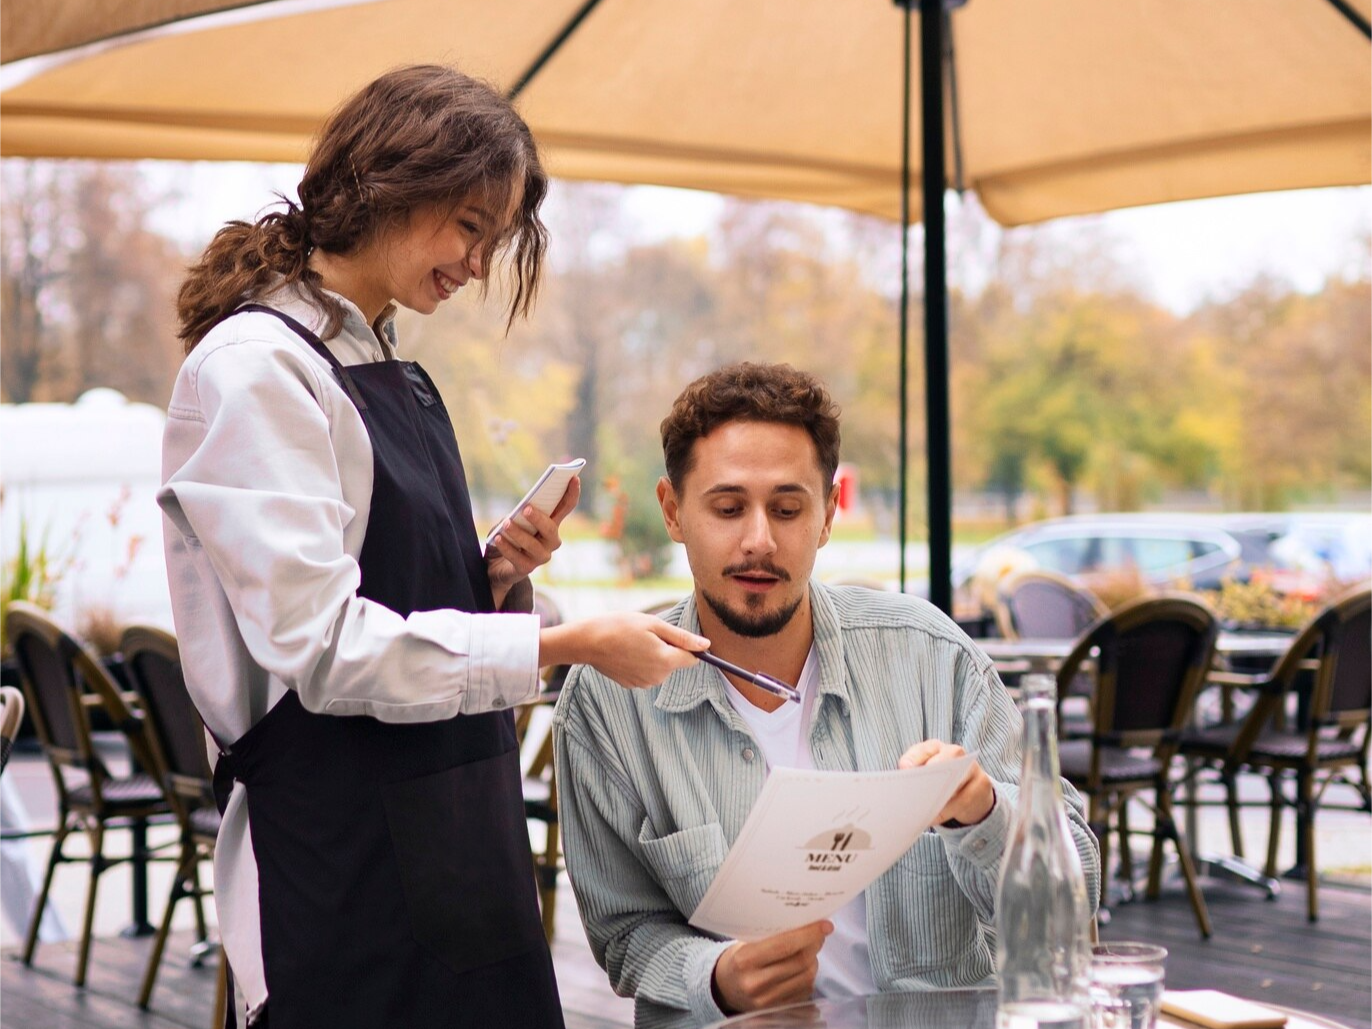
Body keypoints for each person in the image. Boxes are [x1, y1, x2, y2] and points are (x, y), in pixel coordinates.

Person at [159, 65, 708, 1029]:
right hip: (341, 867)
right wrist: (564, 645)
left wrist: (490, 571)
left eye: (491, 240)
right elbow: (322, 650)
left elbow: (394, 594)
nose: (477, 265)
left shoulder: (385, 365)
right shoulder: (257, 372)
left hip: (462, 849)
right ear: (389, 183)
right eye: (469, 226)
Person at [553, 363, 1100, 1029]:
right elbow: (624, 932)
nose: (760, 538)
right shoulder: (607, 699)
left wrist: (983, 811)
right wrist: (717, 978)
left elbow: (1079, 889)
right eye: (728, 508)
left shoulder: (930, 656)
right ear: (673, 511)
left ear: (828, 515)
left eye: (788, 508)